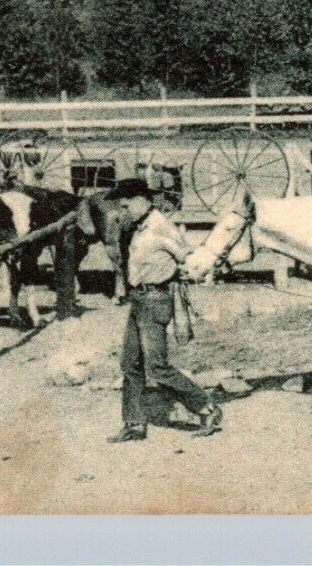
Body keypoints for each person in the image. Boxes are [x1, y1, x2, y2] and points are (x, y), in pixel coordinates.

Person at [106, 179, 222, 443]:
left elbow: (189, 259)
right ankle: (134, 423)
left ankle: (207, 408)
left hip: (155, 300)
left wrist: (181, 280)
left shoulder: (161, 227)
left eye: (126, 201)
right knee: (129, 364)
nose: (123, 207)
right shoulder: (137, 227)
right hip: (138, 300)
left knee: (156, 367)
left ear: (142, 200)